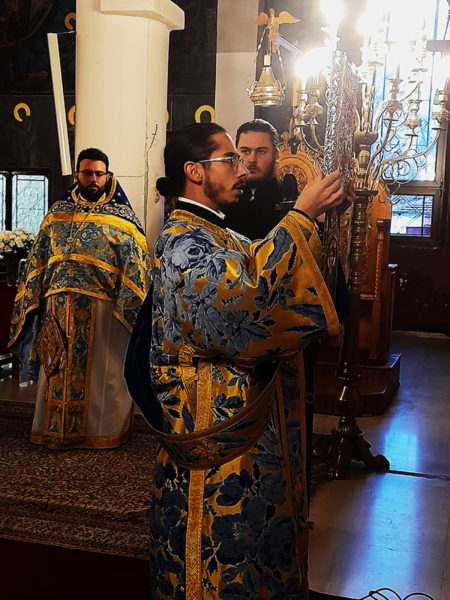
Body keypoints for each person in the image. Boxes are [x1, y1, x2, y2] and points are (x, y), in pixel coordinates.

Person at [125, 122, 347, 599]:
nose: (242, 169)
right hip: (213, 445)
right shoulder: (183, 245)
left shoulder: (216, 236)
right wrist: (300, 217)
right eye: (230, 159)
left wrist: (318, 222)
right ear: (195, 172)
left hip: (241, 442)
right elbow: (245, 310)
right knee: (221, 567)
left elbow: (263, 263)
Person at [9, 148, 152, 449]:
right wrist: (34, 298)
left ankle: (102, 432)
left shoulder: (123, 219)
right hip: (57, 307)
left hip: (104, 310)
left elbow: (136, 267)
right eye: (88, 173)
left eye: (100, 174)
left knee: (104, 373)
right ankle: (56, 430)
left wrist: (130, 309)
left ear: (108, 176)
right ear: (77, 175)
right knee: (56, 365)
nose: (94, 179)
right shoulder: (56, 216)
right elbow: (37, 260)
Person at [223, 118, 286, 239]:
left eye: (261, 152)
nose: (252, 160)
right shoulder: (223, 198)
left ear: (276, 155)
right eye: (245, 151)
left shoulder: (290, 200)